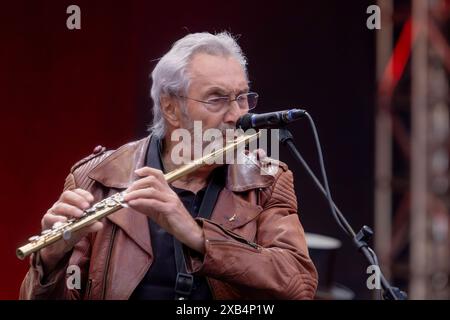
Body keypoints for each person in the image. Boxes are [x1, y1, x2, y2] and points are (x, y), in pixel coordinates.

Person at [19, 32, 318, 300]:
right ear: (171, 107)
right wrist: (51, 262)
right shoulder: (95, 178)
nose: (237, 115)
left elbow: (299, 284)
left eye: (241, 98)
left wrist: (198, 237)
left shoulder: (265, 181)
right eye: (217, 99)